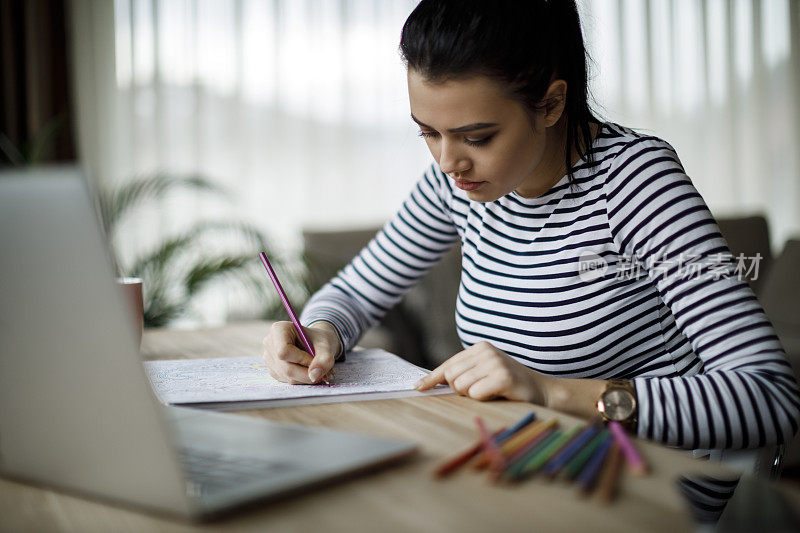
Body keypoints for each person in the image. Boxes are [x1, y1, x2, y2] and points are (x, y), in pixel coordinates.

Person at [262, 0, 799, 459]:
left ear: (551, 103)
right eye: (428, 132)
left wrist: (550, 391)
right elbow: (357, 290)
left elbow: (770, 399)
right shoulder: (459, 185)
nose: (449, 162)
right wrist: (322, 332)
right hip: (522, 463)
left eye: (477, 136)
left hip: (637, 483)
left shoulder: (636, 183)